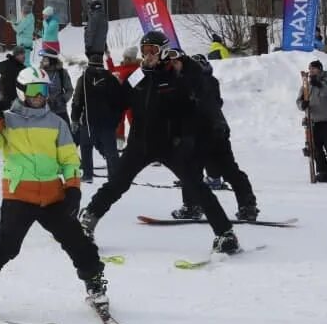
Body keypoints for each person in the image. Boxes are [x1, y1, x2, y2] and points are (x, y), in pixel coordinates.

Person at [0, 67, 108, 319]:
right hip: (19, 195)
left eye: (44, 91)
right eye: (34, 90)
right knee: (8, 245)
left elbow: (69, 159)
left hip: (53, 196)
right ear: (22, 91)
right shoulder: (7, 119)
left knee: (78, 242)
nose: (40, 96)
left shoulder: (57, 122)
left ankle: (95, 286)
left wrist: (73, 189)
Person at [79, 31, 241, 255]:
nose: (148, 55)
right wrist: (105, 86)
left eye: (153, 51)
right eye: (144, 51)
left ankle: (225, 233)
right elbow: (119, 103)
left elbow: (201, 89)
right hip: (139, 144)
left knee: (195, 185)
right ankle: (88, 220)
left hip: (169, 143)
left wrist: (186, 67)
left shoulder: (176, 74)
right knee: (117, 184)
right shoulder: (138, 76)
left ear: (163, 51)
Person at [173, 53, 258, 220]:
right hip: (214, 130)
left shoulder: (195, 82)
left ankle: (192, 206)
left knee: (192, 171)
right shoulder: (208, 81)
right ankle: (247, 206)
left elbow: (201, 105)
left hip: (203, 133)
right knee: (228, 170)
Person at [69, 55, 123, 185]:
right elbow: (119, 102)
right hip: (107, 123)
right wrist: (116, 121)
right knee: (111, 151)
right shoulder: (111, 79)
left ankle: (87, 174)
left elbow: (77, 101)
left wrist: (75, 119)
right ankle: (115, 177)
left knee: (86, 147)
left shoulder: (83, 79)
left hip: (89, 122)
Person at [299, 60, 327, 182]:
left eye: (313, 68)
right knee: (316, 147)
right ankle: (322, 170)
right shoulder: (306, 85)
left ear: (320, 69)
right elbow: (299, 101)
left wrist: (320, 85)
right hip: (313, 121)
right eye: (310, 68)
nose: (311, 70)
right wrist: (303, 104)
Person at [39, 47, 73, 123]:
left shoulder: (61, 72)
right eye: (43, 59)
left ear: (52, 60)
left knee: (65, 133)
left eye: (45, 59)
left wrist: (62, 100)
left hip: (61, 111)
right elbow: (37, 91)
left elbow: (69, 90)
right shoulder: (40, 73)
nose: (43, 61)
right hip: (45, 112)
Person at [12, 0, 36, 65]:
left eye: (22, 11)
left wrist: (12, 23)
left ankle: (30, 74)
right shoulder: (26, 18)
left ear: (25, 12)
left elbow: (18, 29)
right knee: (23, 62)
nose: (21, 13)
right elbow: (19, 24)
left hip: (24, 44)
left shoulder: (28, 19)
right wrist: (14, 22)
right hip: (24, 43)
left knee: (25, 62)